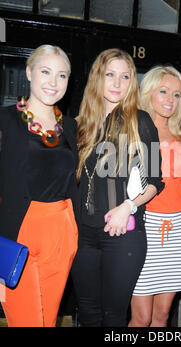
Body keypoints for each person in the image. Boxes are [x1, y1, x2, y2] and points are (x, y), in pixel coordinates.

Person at [71, 48, 164, 327]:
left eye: (125, 77)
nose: (116, 83)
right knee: (87, 315)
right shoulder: (78, 125)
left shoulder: (141, 122)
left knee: (113, 317)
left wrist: (129, 206)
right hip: (81, 237)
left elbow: (156, 181)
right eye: (110, 75)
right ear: (97, 78)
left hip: (122, 235)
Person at [0, 44, 78, 327]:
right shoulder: (6, 120)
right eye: (46, 72)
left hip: (62, 230)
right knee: (26, 321)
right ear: (29, 72)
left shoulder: (69, 127)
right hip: (18, 231)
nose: (53, 82)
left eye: (62, 75)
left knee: (47, 319)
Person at [129, 66, 181, 327]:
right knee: (141, 318)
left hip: (177, 229)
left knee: (162, 316)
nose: (170, 100)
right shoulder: (134, 130)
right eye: (163, 91)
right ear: (149, 92)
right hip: (146, 228)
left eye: (177, 95)